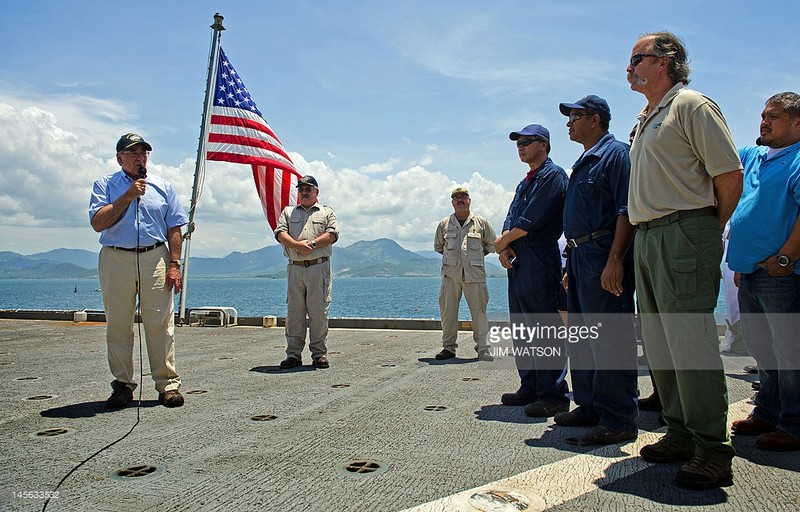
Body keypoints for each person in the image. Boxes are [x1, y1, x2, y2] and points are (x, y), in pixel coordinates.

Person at [625, 32, 742, 489]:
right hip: (649, 236)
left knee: (691, 344)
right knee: (660, 344)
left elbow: (728, 176)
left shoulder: (691, 105)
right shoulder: (647, 117)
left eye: (637, 58)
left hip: (683, 230)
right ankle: (679, 433)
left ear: (665, 60)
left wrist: (704, 231)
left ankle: (713, 450)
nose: (629, 67)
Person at [554, 95, 638, 446]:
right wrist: (571, 263)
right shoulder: (585, 161)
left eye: (575, 116)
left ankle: (618, 419)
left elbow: (625, 209)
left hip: (603, 254)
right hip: (581, 257)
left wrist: (615, 260)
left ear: (596, 119)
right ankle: (589, 405)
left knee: (609, 340)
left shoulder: (616, 154)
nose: (569, 123)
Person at [89, 133, 188, 409]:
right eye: (133, 153)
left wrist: (174, 264)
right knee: (119, 323)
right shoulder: (105, 185)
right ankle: (122, 385)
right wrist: (128, 196)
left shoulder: (163, 186)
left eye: (143, 153)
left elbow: (175, 228)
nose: (139, 158)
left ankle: (168, 385)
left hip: (155, 256)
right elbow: (98, 222)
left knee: (160, 323)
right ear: (120, 157)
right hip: (116, 257)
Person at [727, 92, 800, 452]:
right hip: (749, 272)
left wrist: (784, 259)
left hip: (780, 275)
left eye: (774, 116)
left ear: (797, 123)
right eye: (762, 115)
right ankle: (768, 412)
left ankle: (794, 424)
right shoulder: (753, 156)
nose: (764, 122)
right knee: (761, 349)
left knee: (789, 350)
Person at [495, 124, 570, 418]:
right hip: (519, 258)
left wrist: (504, 241)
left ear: (544, 144)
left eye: (527, 142)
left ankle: (553, 393)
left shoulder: (554, 176)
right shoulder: (525, 181)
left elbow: (530, 220)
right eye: (518, 143)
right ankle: (530, 385)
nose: (521, 147)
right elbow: (512, 216)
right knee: (523, 327)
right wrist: (504, 245)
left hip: (539, 255)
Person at [275, 175, 339, 369]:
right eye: (301, 189)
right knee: (294, 312)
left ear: (316, 193)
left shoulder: (326, 212)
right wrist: (296, 245)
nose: (304, 192)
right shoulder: (287, 212)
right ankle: (293, 355)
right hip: (295, 267)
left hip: (318, 268)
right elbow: (280, 233)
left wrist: (310, 244)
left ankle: (319, 354)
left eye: (308, 189)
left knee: (318, 312)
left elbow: (332, 234)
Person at [433, 186, 497, 362]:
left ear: (470, 200)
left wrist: (474, 257)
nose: (460, 200)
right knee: (448, 312)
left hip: (474, 276)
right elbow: (439, 247)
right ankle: (448, 348)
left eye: (464, 197)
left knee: (479, 313)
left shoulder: (482, 223)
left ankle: (483, 349)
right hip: (450, 275)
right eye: (456, 198)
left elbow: (492, 245)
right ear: (452, 202)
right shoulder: (444, 224)